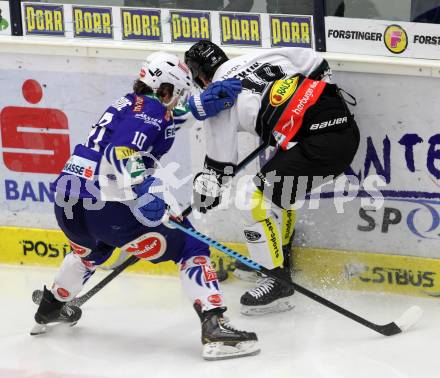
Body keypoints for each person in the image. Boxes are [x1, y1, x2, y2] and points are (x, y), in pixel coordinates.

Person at [31, 51, 259, 360]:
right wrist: (142, 193)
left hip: (68, 202)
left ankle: (51, 307)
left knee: (92, 251)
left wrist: (198, 106)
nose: (178, 100)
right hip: (106, 205)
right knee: (190, 245)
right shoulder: (151, 111)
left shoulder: (127, 103)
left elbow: (160, 122)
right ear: (164, 90)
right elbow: (121, 152)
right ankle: (215, 326)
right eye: (177, 94)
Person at [185, 41, 359, 316]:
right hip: (344, 130)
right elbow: (315, 62)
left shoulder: (218, 98)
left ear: (201, 78)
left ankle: (276, 279)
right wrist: (299, 113)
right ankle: (280, 258)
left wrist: (205, 193)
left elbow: (220, 167)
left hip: (319, 145)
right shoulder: (261, 55)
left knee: (248, 197)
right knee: (278, 190)